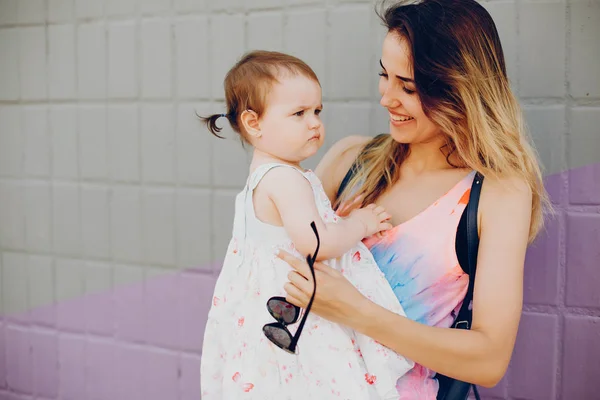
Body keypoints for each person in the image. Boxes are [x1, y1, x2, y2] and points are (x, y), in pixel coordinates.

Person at [277, 0, 550, 398]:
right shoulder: (350, 160)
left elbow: (489, 360)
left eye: (408, 86)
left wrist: (355, 310)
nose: (387, 98)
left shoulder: (496, 193)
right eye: (384, 76)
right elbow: (275, 265)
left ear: (460, 88)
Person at [199, 50, 413, 400]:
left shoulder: (264, 176)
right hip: (298, 315)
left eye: (317, 111)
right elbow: (317, 243)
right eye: (298, 114)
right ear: (254, 123)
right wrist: (359, 222)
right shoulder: (285, 180)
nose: (314, 122)